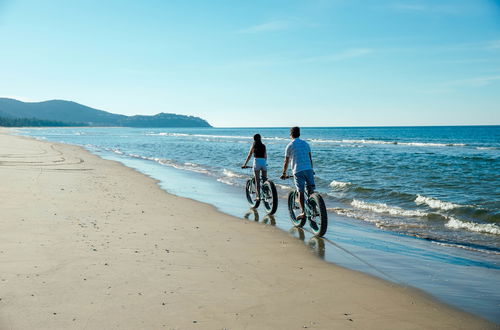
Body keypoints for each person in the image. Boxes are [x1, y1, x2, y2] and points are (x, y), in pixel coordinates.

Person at [280, 126, 315, 220]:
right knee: (311, 191)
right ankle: (315, 207)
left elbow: (286, 161)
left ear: (291, 134)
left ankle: (303, 212)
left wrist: (284, 173)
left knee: (301, 192)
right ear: (299, 134)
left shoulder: (290, 145)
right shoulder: (306, 144)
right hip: (309, 169)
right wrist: (312, 169)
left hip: (298, 170)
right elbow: (310, 158)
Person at [242, 134, 267, 201]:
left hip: (257, 163)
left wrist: (245, 164)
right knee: (265, 180)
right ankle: (267, 193)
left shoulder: (254, 145)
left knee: (257, 180)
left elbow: (249, 155)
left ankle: (258, 196)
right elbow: (265, 156)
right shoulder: (263, 146)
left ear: (254, 139)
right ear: (260, 138)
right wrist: (265, 163)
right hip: (263, 163)